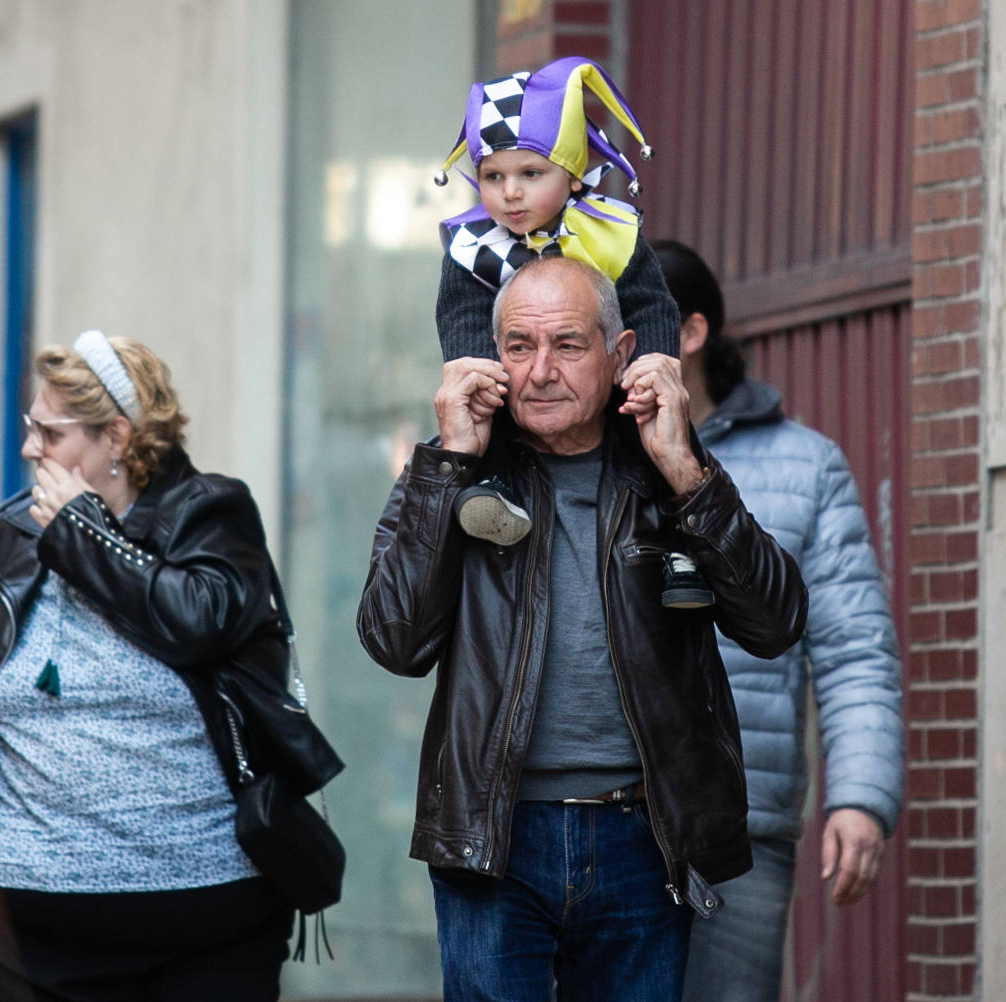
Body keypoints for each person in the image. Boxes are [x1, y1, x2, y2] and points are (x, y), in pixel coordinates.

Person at [357, 256, 808, 1002]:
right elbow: (393, 641)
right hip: (494, 838)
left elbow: (773, 621)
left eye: (566, 345)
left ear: (619, 353)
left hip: (643, 838)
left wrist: (686, 471)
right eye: (516, 347)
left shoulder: (666, 472)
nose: (539, 372)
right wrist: (451, 463)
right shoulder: (454, 472)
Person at [0, 330, 295, 1001]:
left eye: (50, 434)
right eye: (30, 429)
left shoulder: (211, 514)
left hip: (208, 919)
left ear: (117, 439)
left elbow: (197, 622)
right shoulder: (13, 534)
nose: (29, 450)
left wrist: (82, 534)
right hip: (40, 928)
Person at [651, 240, 904, 1002]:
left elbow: (853, 647)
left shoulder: (805, 464)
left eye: (633, 322)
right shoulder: (585, 455)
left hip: (742, 829)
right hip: (598, 822)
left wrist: (860, 796)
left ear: (690, 335)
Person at [431, 57, 711, 607]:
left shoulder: (610, 232)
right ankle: (493, 495)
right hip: (512, 395)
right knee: (487, 428)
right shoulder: (471, 247)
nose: (510, 193)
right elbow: (461, 316)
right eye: (493, 177)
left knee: (661, 434)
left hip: (612, 390)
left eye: (530, 174)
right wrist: (474, 370)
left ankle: (683, 548)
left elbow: (651, 304)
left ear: (574, 172)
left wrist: (655, 367)